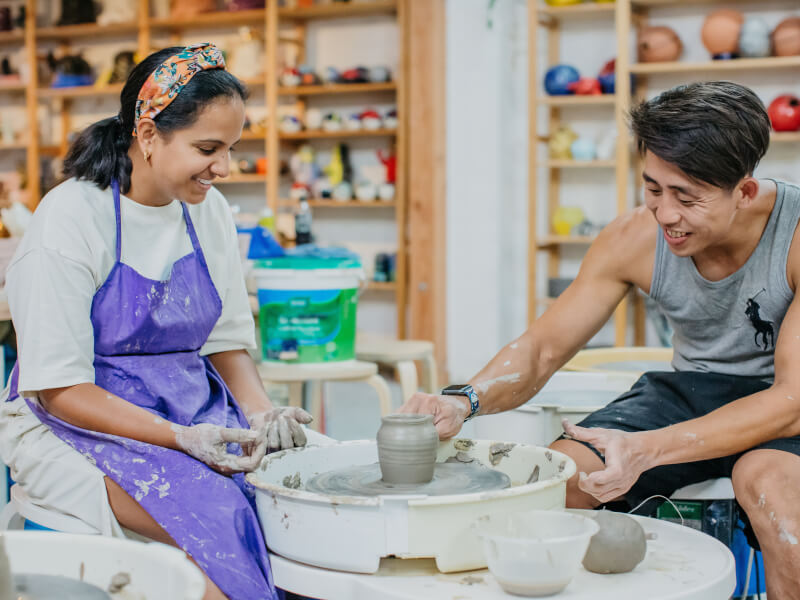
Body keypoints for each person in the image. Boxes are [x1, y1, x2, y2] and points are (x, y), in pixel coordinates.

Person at [400, 81, 800, 598]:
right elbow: (542, 350)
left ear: (743, 192)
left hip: (781, 406)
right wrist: (463, 400)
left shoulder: (794, 236)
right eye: (653, 189)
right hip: (690, 391)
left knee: (773, 494)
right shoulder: (633, 237)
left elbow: (789, 403)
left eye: (687, 197)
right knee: (552, 485)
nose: (666, 215)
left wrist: (647, 449)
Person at [0, 44, 313, 600]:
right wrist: (182, 439)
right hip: (76, 420)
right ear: (148, 135)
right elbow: (58, 387)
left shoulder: (208, 209)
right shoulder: (72, 218)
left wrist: (262, 413)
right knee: (220, 511)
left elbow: (227, 343)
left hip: (187, 404)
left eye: (231, 149)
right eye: (208, 148)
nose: (224, 167)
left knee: (295, 485)